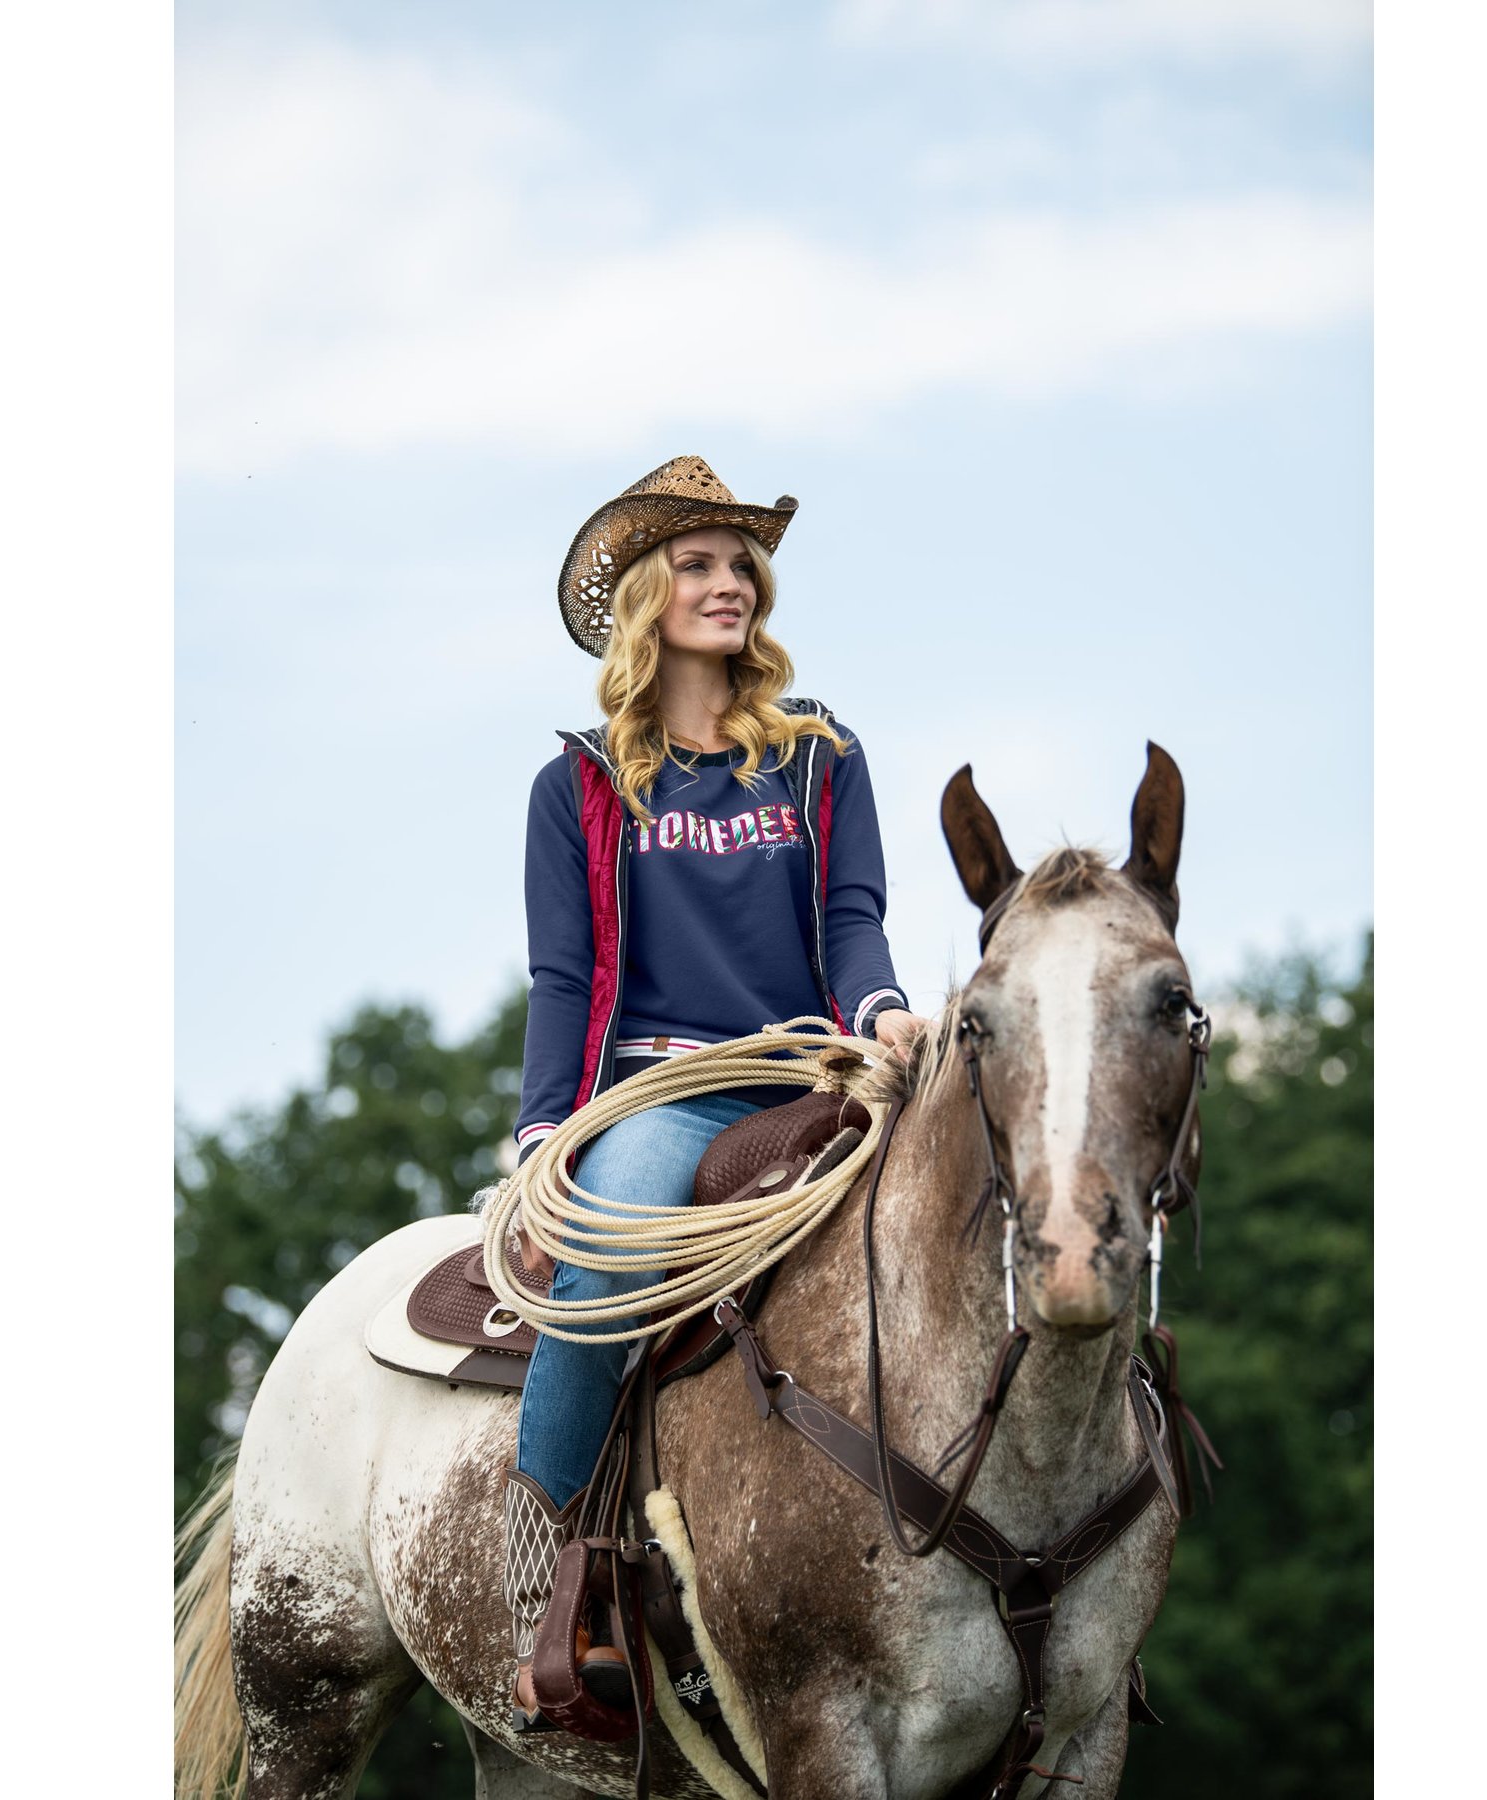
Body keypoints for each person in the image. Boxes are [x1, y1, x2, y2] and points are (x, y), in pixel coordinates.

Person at [503, 454, 926, 1724]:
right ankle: (565, 1575)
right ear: (646, 595)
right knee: (607, 1269)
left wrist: (885, 1012)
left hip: (813, 1080)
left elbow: (852, 921)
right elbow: (562, 981)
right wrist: (538, 1140)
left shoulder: (817, 756)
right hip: (663, 1097)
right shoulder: (579, 785)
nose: (729, 583)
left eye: (741, 563)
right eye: (697, 563)